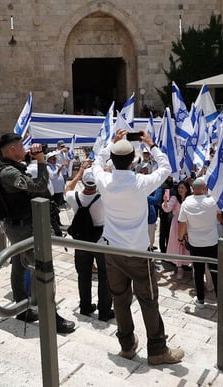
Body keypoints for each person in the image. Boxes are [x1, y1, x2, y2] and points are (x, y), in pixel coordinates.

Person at [90, 129, 184, 365]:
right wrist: (151, 145)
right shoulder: (141, 182)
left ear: (113, 159)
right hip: (138, 254)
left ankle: (127, 345)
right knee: (148, 300)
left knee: (120, 299)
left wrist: (110, 145)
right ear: (133, 160)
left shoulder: (104, 180)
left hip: (113, 252)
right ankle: (157, 350)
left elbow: (96, 164)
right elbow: (165, 168)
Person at [0, 132, 76, 334]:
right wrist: (41, 161)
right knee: (43, 268)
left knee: (19, 265)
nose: (25, 150)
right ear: (13, 149)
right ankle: (51, 317)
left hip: (15, 225)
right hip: (23, 228)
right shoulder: (9, 173)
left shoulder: (7, 168)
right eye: (21, 146)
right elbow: (39, 187)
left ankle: (22, 308)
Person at [64, 162, 114, 321]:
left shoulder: (74, 197)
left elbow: (68, 189)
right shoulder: (104, 198)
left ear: (83, 182)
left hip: (81, 242)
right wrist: (105, 172)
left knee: (83, 275)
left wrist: (79, 174)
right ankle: (105, 311)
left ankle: (85, 306)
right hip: (99, 241)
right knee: (104, 276)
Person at [177, 177, 220, 308]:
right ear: (204, 188)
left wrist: (180, 238)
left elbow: (182, 224)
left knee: (199, 272)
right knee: (215, 272)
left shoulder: (186, 203)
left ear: (192, 189)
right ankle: (220, 299)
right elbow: (219, 214)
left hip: (196, 243)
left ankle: (200, 299)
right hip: (212, 242)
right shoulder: (212, 202)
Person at [162, 180, 192, 279]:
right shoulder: (174, 198)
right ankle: (179, 268)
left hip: (188, 225)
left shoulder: (190, 199)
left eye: (182, 188)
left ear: (187, 189)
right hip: (177, 225)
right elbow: (167, 209)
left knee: (187, 245)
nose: (180, 189)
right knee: (178, 245)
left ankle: (186, 263)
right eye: (179, 187)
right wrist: (165, 202)